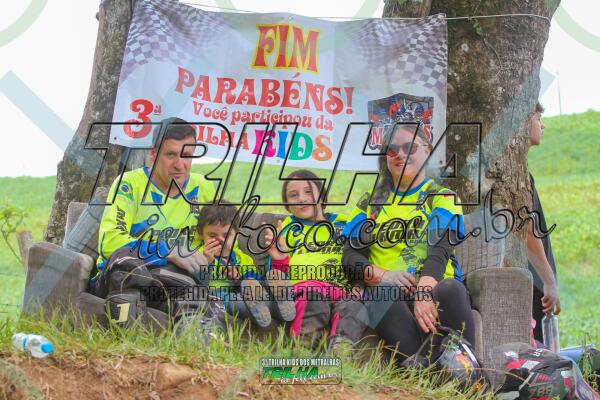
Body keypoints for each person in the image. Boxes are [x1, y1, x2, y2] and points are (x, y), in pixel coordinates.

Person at [342, 124, 474, 364]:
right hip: (390, 296)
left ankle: (467, 369)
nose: (400, 155)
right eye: (392, 150)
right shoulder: (370, 203)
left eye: (409, 147)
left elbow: (441, 249)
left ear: (427, 150)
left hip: (436, 288)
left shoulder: (442, 196)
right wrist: (385, 276)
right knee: (380, 298)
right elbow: (350, 258)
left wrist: (424, 292)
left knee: (451, 289)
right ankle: (423, 373)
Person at [89, 117, 217, 322]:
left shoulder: (204, 188)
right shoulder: (129, 184)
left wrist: (207, 257)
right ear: (153, 154)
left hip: (172, 281)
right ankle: (123, 321)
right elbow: (110, 242)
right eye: (171, 155)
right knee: (126, 262)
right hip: (123, 275)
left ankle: (192, 327)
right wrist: (166, 251)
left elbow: (219, 237)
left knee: (195, 289)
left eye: (187, 155)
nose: (179, 164)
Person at [268, 169, 366, 349]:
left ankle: (341, 351)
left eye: (308, 191)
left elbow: (358, 258)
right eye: (293, 195)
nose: (302, 199)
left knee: (355, 307)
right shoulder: (288, 229)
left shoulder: (344, 224)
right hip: (305, 290)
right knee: (312, 297)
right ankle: (303, 350)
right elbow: (277, 279)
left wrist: (358, 286)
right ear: (287, 205)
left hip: (341, 292)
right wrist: (279, 257)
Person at [196, 201, 295, 328]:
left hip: (247, 295)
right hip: (219, 297)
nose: (221, 240)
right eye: (212, 235)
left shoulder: (242, 258)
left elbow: (254, 283)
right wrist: (207, 263)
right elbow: (197, 284)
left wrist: (240, 279)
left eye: (226, 235)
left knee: (256, 289)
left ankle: (281, 304)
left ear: (237, 234)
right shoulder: (199, 256)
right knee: (234, 301)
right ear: (201, 233)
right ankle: (267, 310)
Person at [527, 102, 561, 343]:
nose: (543, 125)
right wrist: (548, 281)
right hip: (532, 284)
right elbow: (527, 230)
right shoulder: (517, 174)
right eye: (538, 118)